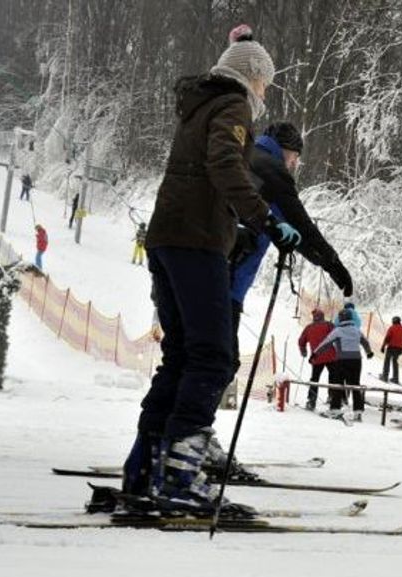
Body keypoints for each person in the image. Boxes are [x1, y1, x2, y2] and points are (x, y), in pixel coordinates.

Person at [121, 24, 290, 514]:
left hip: (169, 238)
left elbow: (202, 173)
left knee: (182, 356)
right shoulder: (232, 104)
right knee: (213, 357)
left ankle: (144, 467)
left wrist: (234, 225)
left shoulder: (199, 107)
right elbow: (222, 164)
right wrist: (262, 219)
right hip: (195, 243)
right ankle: (180, 475)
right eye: (264, 82)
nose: (264, 93)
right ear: (250, 76)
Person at [228, 121, 352, 374]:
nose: (294, 163)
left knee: (184, 357)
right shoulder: (272, 171)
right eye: (295, 156)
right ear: (285, 149)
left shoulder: (243, 155)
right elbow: (302, 227)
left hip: (195, 263)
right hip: (228, 277)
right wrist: (332, 263)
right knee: (218, 362)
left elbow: (286, 230)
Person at [312, 309, 374, 421]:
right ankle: (358, 411)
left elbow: (326, 343)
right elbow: (365, 342)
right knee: (355, 385)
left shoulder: (338, 331)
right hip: (356, 360)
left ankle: (335, 409)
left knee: (338, 384)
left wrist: (315, 354)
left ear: (341, 319)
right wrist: (369, 352)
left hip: (342, 360)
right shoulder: (356, 330)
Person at [297, 309, 337, 410]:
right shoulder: (329, 325)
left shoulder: (309, 328)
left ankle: (311, 400)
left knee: (314, 379)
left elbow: (301, 341)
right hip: (331, 357)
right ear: (323, 316)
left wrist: (303, 351)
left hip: (317, 357)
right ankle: (332, 397)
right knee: (333, 377)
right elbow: (337, 336)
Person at [380, 316, 402, 384]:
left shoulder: (392, 328)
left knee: (387, 361)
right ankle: (396, 378)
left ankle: (385, 376)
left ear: (394, 321)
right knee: (395, 362)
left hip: (391, 347)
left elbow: (387, 338)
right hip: (399, 349)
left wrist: (383, 346)